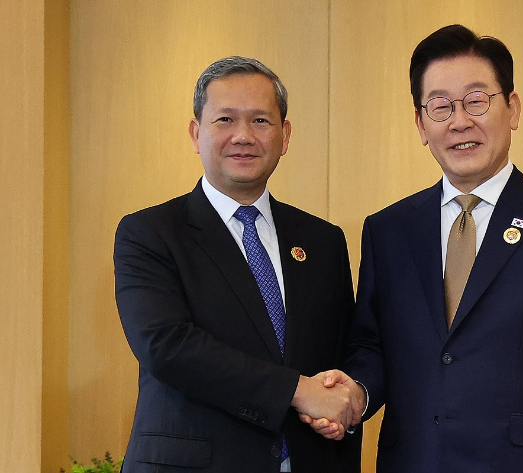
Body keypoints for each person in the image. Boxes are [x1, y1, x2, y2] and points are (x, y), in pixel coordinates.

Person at [305, 24, 523, 473]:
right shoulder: (388, 230)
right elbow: (372, 346)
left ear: (512, 108)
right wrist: (357, 391)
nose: (459, 122)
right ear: (421, 124)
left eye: (477, 100)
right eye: (440, 106)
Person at [114, 56, 361, 473]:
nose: (243, 136)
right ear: (196, 134)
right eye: (225, 120)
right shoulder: (150, 232)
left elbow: (343, 349)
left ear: (285, 136)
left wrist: (343, 402)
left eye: (261, 121)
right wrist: (298, 391)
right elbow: (167, 346)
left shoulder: (323, 241)